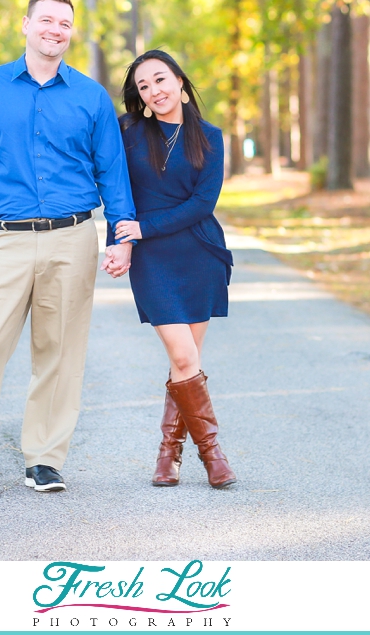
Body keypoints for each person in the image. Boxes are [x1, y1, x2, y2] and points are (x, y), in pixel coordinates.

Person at [0, 0, 136, 501]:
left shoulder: (90, 97)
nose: (55, 30)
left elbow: (113, 172)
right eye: (46, 20)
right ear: (25, 25)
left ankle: (44, 460)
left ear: (71, 32)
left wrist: (121, 235)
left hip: (72, 238)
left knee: (61, 353)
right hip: (3, 239)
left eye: (64, 24)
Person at [112, 50, 237, 489]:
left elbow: (204, 203)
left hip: (200, 254)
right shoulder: (128, 132)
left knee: (185, 363)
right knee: (184, 357)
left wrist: (144, 228)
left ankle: (168, 455)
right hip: (153, 262)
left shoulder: (210, 136)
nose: (155, 91)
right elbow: (116, 191)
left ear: (181, 82)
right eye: (144, 86)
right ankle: (213, 454)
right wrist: (123, 240)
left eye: (161, 80)